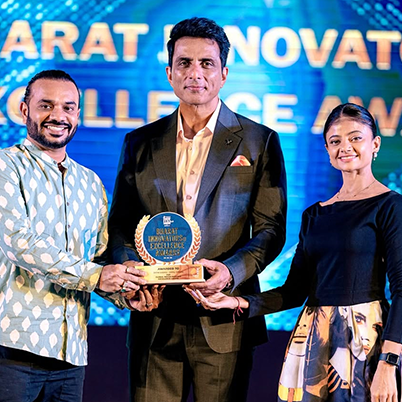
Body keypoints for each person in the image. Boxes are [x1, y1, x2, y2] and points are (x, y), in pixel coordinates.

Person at [107, 17, 287, 402]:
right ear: (169, 73)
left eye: (206, 63)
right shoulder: (140, 143)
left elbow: (271, 230)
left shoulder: (259, 142)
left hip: (223, 318)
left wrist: (230, 272)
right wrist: (132, 274)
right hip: (153, 316)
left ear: (223, 74)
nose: (195, 73)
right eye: (184, 63)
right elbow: (119, 225)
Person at [186, 103, 402, 401]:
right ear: (327, 149)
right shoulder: (315, 214)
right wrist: (236, 301)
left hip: (365, 340)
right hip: (312, 338)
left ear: (375, 144)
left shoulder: (390, 206)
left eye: (356, 138)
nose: (345, 147)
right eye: (335, 141)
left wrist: (389, 362)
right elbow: (294, 291)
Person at [0, 69, 162, 402]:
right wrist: (98, 276)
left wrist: (125, 295)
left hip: (71, 354)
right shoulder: (6, 167)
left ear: (78, 114)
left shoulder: (90, 183)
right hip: (13, 349)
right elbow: (19, 242)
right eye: (46, 105)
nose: (58, 116)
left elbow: (98, 258)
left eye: (68, 107)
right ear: (24, 109)